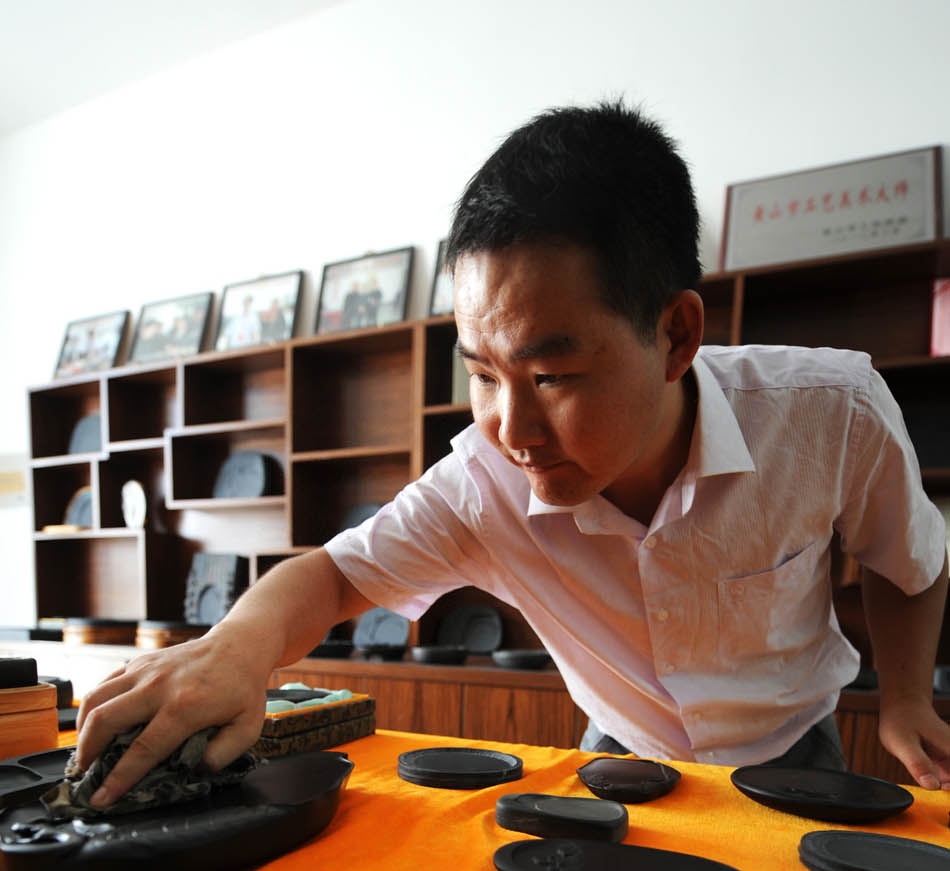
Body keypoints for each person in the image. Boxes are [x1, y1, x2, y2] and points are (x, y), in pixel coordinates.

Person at [76, 100, 950, 809]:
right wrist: (237, 647)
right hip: (620, 752)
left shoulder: (830, 413)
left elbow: (908, 558)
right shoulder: (481, 482)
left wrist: (907, 698)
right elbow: (335, 577)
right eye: (484, 373)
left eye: (553, 374)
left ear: (676, 332)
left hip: (796, 743)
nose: (514, 430)